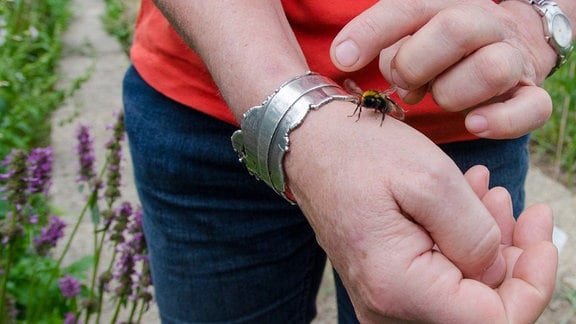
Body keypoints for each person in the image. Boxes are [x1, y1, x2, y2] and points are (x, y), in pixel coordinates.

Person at [122, 0, 571, 322]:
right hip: (207, 105)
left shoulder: (380, 105)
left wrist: (544, 19)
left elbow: (373, 107)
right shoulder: (369, 103)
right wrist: (296, 114)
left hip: (466, 117)